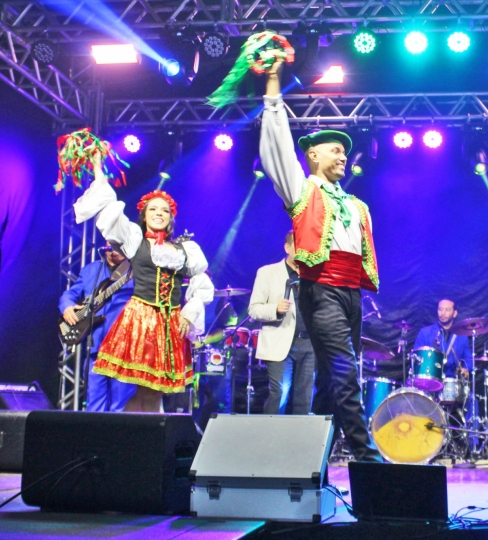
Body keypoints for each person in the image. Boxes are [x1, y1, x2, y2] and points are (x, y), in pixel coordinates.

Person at [258, 53, 382, 461]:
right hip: (321, 289)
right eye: (335, 150)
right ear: (313, 155)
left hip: (351, 294)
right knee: (345, 373)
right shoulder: (302, 189)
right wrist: (273, 85)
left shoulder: (355, 203)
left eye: (344, 153)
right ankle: (368, 457)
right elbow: (277, 146)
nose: (343, 157)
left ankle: (314, 461)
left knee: (333, 381)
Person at [73, 156, 214, 412]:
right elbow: (109, 209)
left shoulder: (186, 249)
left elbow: (202, 282)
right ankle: (131, 433)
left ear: (171, 218)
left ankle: (151, 434)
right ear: (144, 215)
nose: (159, 213)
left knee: (156, 392)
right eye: (153, 209)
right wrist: (98, 169)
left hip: (171, 322)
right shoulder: (134, 239)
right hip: (142, 319)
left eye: (164, 210)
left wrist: (190, 311)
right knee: (140, 390)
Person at [59, 245, 136, 412]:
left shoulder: (136, 270)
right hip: (95, 347)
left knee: (121, 408)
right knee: (94, 405)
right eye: (111, 242)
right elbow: (70, 294)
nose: (114, 248)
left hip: (124, 349)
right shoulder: (91, 270)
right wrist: (67, 306)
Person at [249, 230, 315, 415]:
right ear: (287, 247)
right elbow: (253, 309)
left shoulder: (314, 275)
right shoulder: (267, 273)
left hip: (310, 344)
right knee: (280, 393)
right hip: (280, 342)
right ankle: (270, 432)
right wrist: (275, 309)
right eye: (298, 245)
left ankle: (300, 434)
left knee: (305, 398)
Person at [414, 299, 472, 380]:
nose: (443, 313)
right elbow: (415, 358)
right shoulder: (425, 333)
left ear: (455, 313)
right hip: (430, 380)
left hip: (453, 382)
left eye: (447, 310)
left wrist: (465, 369)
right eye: (440, 309)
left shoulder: (462, 336)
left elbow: (468, 359)